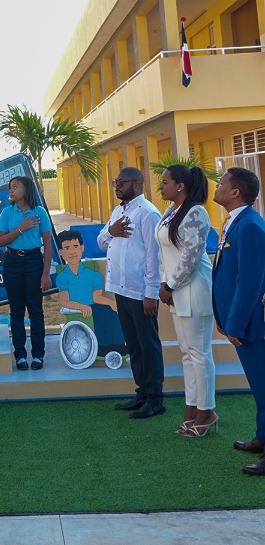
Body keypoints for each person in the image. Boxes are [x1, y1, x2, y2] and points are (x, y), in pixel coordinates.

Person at [98, 167, 164, 418]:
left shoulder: (147, 213)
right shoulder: (118, 211)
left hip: (140, 292)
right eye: (115, 182)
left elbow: (153, 256)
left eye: (121, 182)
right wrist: (110, 231)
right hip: (120, 289)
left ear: (137, 184)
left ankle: (156, 399)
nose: (116, 186)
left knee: (148, 345)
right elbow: (101, 241)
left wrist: (151, 293)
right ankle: (142, 393)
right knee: (134, 345)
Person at [212, 167, 265, 476]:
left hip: (252, 325)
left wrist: (234, 323)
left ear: (235, 193)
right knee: (259, 387)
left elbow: (250, 281)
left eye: (222, 184)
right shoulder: (237, 223)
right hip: (241, 321)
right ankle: (261, 437)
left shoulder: (249, 226)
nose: (217, 187)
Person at [156, 165, 216, 437]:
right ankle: (192, 408)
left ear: (180, 185)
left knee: (199, 354)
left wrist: (170, 285)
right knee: (187, 353)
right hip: (175, 290)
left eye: (165, 182)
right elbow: (164, 253)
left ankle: (207, 411)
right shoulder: (171, 212)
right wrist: (164, 284)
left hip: (193, 290)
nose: (161, 187)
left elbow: (191, 257)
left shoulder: (196, 213)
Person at [0, 176, 52, 371]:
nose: (10, 191)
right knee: (16, 311)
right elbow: (1, 241)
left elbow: (48, 245)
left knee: (36, 310)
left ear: (26, 189)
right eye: (9, 187)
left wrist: (45, 274)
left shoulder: (39, 213)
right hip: (11, 263)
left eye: (15, 187)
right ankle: (20, 355)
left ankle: (38, 355)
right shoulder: (6, 213)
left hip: (33, 262)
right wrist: (21, 228)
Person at [56, 229, 117, 326]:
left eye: (75, 246)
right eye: (67, 248)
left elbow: (96, 297)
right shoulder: (62, 277)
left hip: (95, 314)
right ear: (60, 252)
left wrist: (111, 302)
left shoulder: (94, 275)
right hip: (74, 318)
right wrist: (81, 307)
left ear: (82, 248)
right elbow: (65, 301)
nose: (72, 252)